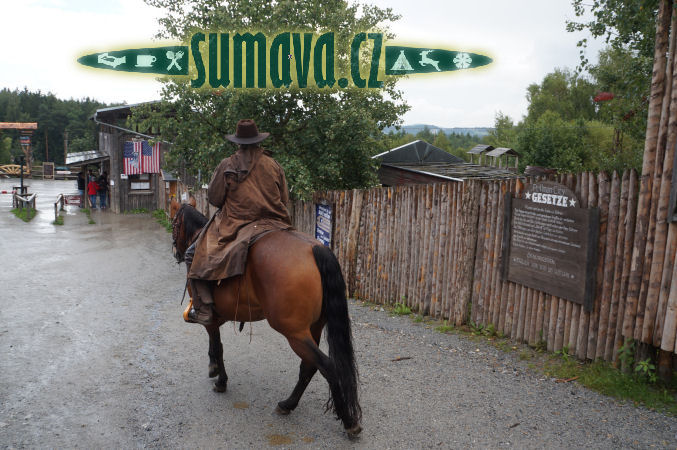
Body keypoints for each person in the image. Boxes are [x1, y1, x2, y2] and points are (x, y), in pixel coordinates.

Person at [185, 119, 292, 325]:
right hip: (275, 222)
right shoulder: (273, 164)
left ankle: (205, 308)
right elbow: (284, 198)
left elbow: (215, 199)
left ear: (238, 142)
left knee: (192, 254)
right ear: (258, 140)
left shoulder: (228, 164)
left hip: (236, 223)